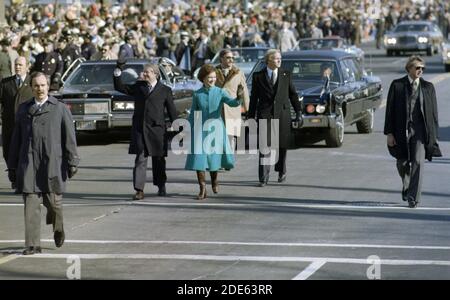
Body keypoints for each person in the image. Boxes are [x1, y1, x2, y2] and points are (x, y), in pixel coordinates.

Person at [7, 72, 79, 255]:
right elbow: (16, 139)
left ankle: (58, 227)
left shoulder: (60, 108)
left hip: (52, 163)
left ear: (48, 87)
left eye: (43, 85)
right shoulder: (24, 109)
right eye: (36, 86)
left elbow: (69, 138)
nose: (39, 89)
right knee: (31, 204)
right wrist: (13, 166)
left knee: (54, 204)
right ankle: (32, 244)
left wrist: (72, 161)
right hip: (29, 162)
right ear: (31, 88)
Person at [113, 59, 177, 200]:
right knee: (140, 158)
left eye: (147, 72)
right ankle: (139, 190)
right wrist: (118, 70)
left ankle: (161, 185)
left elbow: (172, 110)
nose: (144, 74)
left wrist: (178, 127)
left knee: (158, 159)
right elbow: (120, 87)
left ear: (155, 74)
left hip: (157, 130)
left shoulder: (165, 90)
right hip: (140, 129)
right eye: (144, 72)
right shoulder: (139, 86)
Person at [384, 55, 441, 208]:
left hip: (421, 131)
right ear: (409, 68)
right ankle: (407, 184)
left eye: (422, 68)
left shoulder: (428, 87)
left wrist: (434, 135)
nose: (420, 70)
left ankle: (413, 197)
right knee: (402, 163)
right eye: (417, 68)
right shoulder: (397, 85)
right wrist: (389, 133)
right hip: (401, 130)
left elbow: (433, 113)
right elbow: (389, 111)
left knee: (418, 161)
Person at [185, 64, 244, 200]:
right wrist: (186, 128)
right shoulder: (197, 94)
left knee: (213, 158)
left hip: (216, 128)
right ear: (203, 79)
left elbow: (233, 103)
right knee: (199, 158)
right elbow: (194, 113)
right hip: (201, 128)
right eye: (209, 77)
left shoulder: (220, 92)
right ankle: (202, 188)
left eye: (214, 77)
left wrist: (239, 97)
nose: (212, 80)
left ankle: (214, 181)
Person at [248, 49, 302, 187]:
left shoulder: (286, 75)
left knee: (282, 145)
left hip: (283, 114)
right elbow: (254, 98)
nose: (279, 60)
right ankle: (263, 177)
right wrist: (250, 117)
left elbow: (293, 95)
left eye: (280, 58)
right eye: (276, 58)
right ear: (268, 60)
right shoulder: (258, 76)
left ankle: (281, 170)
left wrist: (298, 112)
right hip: (265, 114)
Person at [0, 57, 33, 176]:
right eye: (16, 64)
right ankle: (12, 172)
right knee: (8, 151)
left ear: (27, 66)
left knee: (25, 151)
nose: (17, 67)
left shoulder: (32, 82)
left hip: (26, 124)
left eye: (20, 65)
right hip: (9, 125)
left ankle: (21, 176)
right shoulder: (6, 83)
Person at [214, 49, 250, 151]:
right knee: (217, 135)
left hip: (233, 108)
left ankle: (229, 160)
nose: (231, 60)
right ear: (221, 59)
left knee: (231, 136)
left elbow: (244, 91)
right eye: (228, 58)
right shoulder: (213, 72)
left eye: (232, 58)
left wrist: (248, 109)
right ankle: (219, 160)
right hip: (217, 108)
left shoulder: (238, 73)